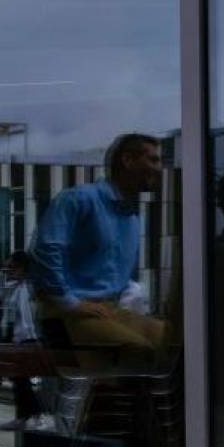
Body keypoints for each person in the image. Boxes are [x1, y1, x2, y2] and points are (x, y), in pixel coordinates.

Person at [29, 133, 168, 369]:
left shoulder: (131, 217)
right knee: (137, 352)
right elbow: (45, 251)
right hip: (69, 314)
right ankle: (123, 403)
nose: (159, 168)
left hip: (107, 309)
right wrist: (70, 302)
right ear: (128, 160)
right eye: (153, 160)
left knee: (179, 344)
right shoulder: (78, 200)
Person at [0, 250, 44, 425]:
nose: (12, 271)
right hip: (12, 338)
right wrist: (4, 268)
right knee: (18, 378)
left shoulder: (31, 287)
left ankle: (35, 415)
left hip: (29, 339)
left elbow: (34, 315)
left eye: (16, 267)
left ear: (24, 268)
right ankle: (26, 416)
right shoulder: (10, 287)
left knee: (22, 377)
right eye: (11, 267)